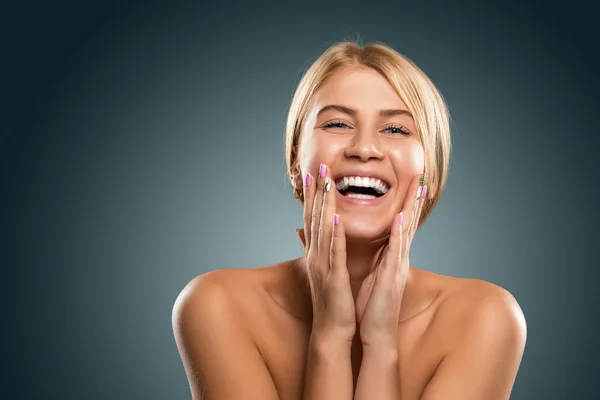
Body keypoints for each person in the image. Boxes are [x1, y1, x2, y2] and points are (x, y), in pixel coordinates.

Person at [172, 41, 527, 400]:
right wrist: (331, 334)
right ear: (296, 164)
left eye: (396, 130)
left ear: (429, 175)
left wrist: (381, 345)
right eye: (338, 123)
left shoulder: (485, 318)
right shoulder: (216, 305)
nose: (364, 148)